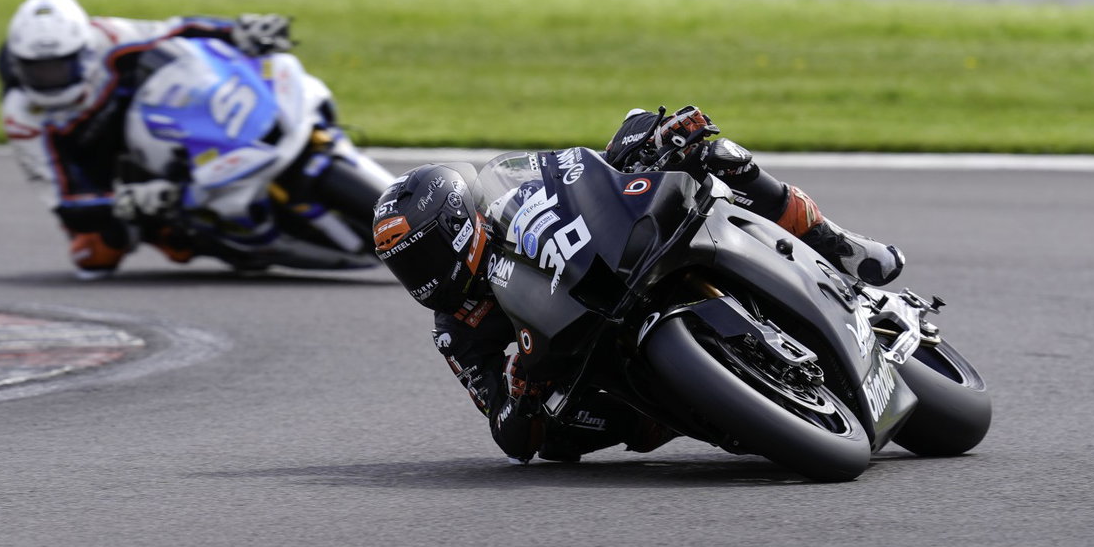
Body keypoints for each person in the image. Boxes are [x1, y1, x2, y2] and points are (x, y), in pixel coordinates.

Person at [371, 106, 905, 465]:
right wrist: (522, 388)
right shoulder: (456, 329)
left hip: (618, 259)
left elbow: (581, 174)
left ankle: (836, 241)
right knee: (555, 446)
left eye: (424, 257)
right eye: (405, 268)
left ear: (459, 225)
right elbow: (506, 432)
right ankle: (701, 405)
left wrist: (652, 140)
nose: (421, 277)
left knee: (710, 152)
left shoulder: (513, 195)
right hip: (580, 350)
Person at [0, 0, 294, 279]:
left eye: (59, 67)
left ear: (84, 54)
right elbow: (64, 203)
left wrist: (239, 30)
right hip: (102, 174)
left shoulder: (109, 37)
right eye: (39, 70)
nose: (50, 79)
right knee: (96, 255)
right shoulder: (22, 117)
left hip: (154, 118)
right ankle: (220, 241)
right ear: (17, 64)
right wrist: (127, 201)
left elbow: (177, 29)